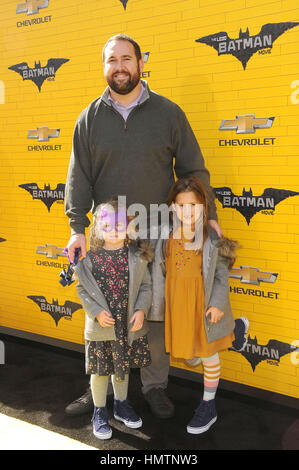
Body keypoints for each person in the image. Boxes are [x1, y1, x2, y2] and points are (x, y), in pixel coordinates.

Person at [64, 33, 222, 418]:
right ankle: (99, 388)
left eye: (126, 59)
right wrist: (76, 226)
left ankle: (154, 387)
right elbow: (78, 177)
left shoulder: (168, 113)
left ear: (140, 63)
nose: (119, 66)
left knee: (151, 312)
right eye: (111, 60)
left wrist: (210, 216)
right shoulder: (89, 118)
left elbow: (193, 169)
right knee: (102, 311)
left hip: (156, 231)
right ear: (104, 67)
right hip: (108, 234)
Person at [149, 176, 239, 434]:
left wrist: (218, 303)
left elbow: (221, 275)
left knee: (208, 354)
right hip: (178, 306)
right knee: (188, 355)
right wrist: (154, 305)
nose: (188, 211)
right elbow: (159, 273)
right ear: (173, 208)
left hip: (203, 305)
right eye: (182, 205)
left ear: (204, 207)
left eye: (194, 205)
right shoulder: (166, 238)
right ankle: (196, 353)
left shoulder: (212, 238)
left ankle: (208, 404)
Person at [73, 200, 153, 439]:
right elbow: (82, 290)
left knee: (123, 368)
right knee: (99, 372)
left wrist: (140, 310)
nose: (114, 228)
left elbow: (146, 287)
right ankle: (99, 411)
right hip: (101, 325)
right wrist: (96, 311)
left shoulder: (137, 257)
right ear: (97, 227)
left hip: (125, 325)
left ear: (129, 227)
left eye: (120, 224)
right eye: (107, 224)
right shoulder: (89, 258)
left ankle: (121, 404)